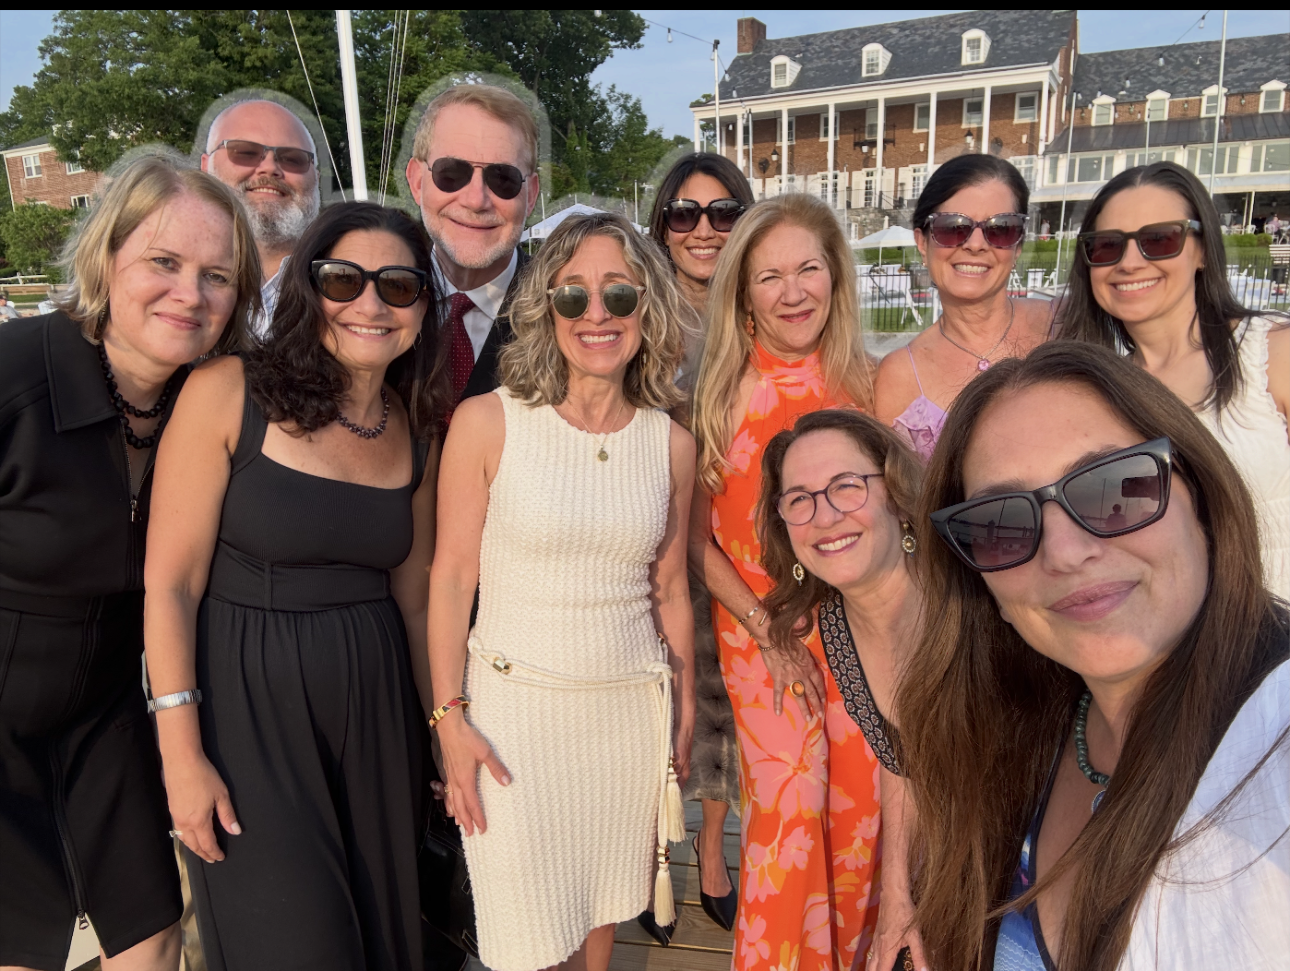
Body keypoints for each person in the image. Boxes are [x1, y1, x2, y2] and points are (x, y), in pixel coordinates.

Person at [902, 341, 1289, 970]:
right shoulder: (1017, 740)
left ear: (1202, 500)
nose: (1064, 551)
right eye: (1001, 524)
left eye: (1116, 486)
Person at [144, 202, 443, 971]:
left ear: (421, 309)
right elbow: (170, 583)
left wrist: (442, 726)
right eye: (345, 280)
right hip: (248, 718)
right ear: (310, 289)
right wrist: (181, 757)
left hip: (377, 720)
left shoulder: (416, 426)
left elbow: (414, 602)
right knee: (294, 946)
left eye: (399, 287)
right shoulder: (229, 390)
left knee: (385, 942)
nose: (371, 303)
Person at [0, 155, 259, 971]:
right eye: (164, 262)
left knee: (150, 940)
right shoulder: (15, 373)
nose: (190, 293)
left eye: (216, 275)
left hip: (114, 711)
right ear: (107, 256)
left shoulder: (212, 399)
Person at [427, 211, 695, 971]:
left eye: (619, 293)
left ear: (650, 304)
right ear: (547, 309)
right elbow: (450, 578)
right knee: (522, 939)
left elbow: (671, 589)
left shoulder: (671, 443)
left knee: (602, 915)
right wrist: (448, 716)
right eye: (572, 296)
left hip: (626, 720)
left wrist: (680, 715)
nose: (597, 314)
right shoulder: (487, 422)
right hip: (514, 724)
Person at [689, 192, 877, 968]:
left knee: (860, 814)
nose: (793, 291)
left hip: (862, 630)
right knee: (790, 816)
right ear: (743, 293)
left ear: (835, 278)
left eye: (809, 269)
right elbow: (694, 539)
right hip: (757, 631)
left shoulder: (869, 385)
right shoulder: (712, 395)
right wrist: (768, 631)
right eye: (770, 276)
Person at [1059, 161, 1290, 599]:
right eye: (1106, 247)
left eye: (1158, 240)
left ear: (1202, 250)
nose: (1130, 262)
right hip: (1170, 646)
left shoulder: (1274, 354)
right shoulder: (1099, 393)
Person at [754, 409, 930, 971]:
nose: (825, 517)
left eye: (847, 487)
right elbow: (902, 759)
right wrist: (899, 897)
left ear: (897, 495)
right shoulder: (837, 627)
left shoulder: (964, 597)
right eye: (799, 500)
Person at [637, 151, 751, 943]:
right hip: (647, 537)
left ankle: (711, 852)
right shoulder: (638, 310)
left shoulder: (760, 310)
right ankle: (647, 860)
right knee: (650, 704)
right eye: (686, 213)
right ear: (663, 225)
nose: (704, 228)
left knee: (721, 710)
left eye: (723, 213)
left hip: (738, 538)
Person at [874, 155, 1054, 460]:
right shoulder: (899, 376)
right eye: (953, 227)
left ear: (1018, 245)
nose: (975, 243)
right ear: (922, 241)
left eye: (1001, 229)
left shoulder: (1061, 324)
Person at [405, 84, 541, 409]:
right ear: (416, 181)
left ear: (531, 194)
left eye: (503, 179)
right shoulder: (368, 299)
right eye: (451, 173)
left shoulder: (569, 312)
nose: (476, 200)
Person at [200, 97, 321, 337]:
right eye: (245, 152)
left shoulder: (349, 287)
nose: (269, 168)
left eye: (293, 159)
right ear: (206, 166)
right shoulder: (161, 274)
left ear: (315, 178)